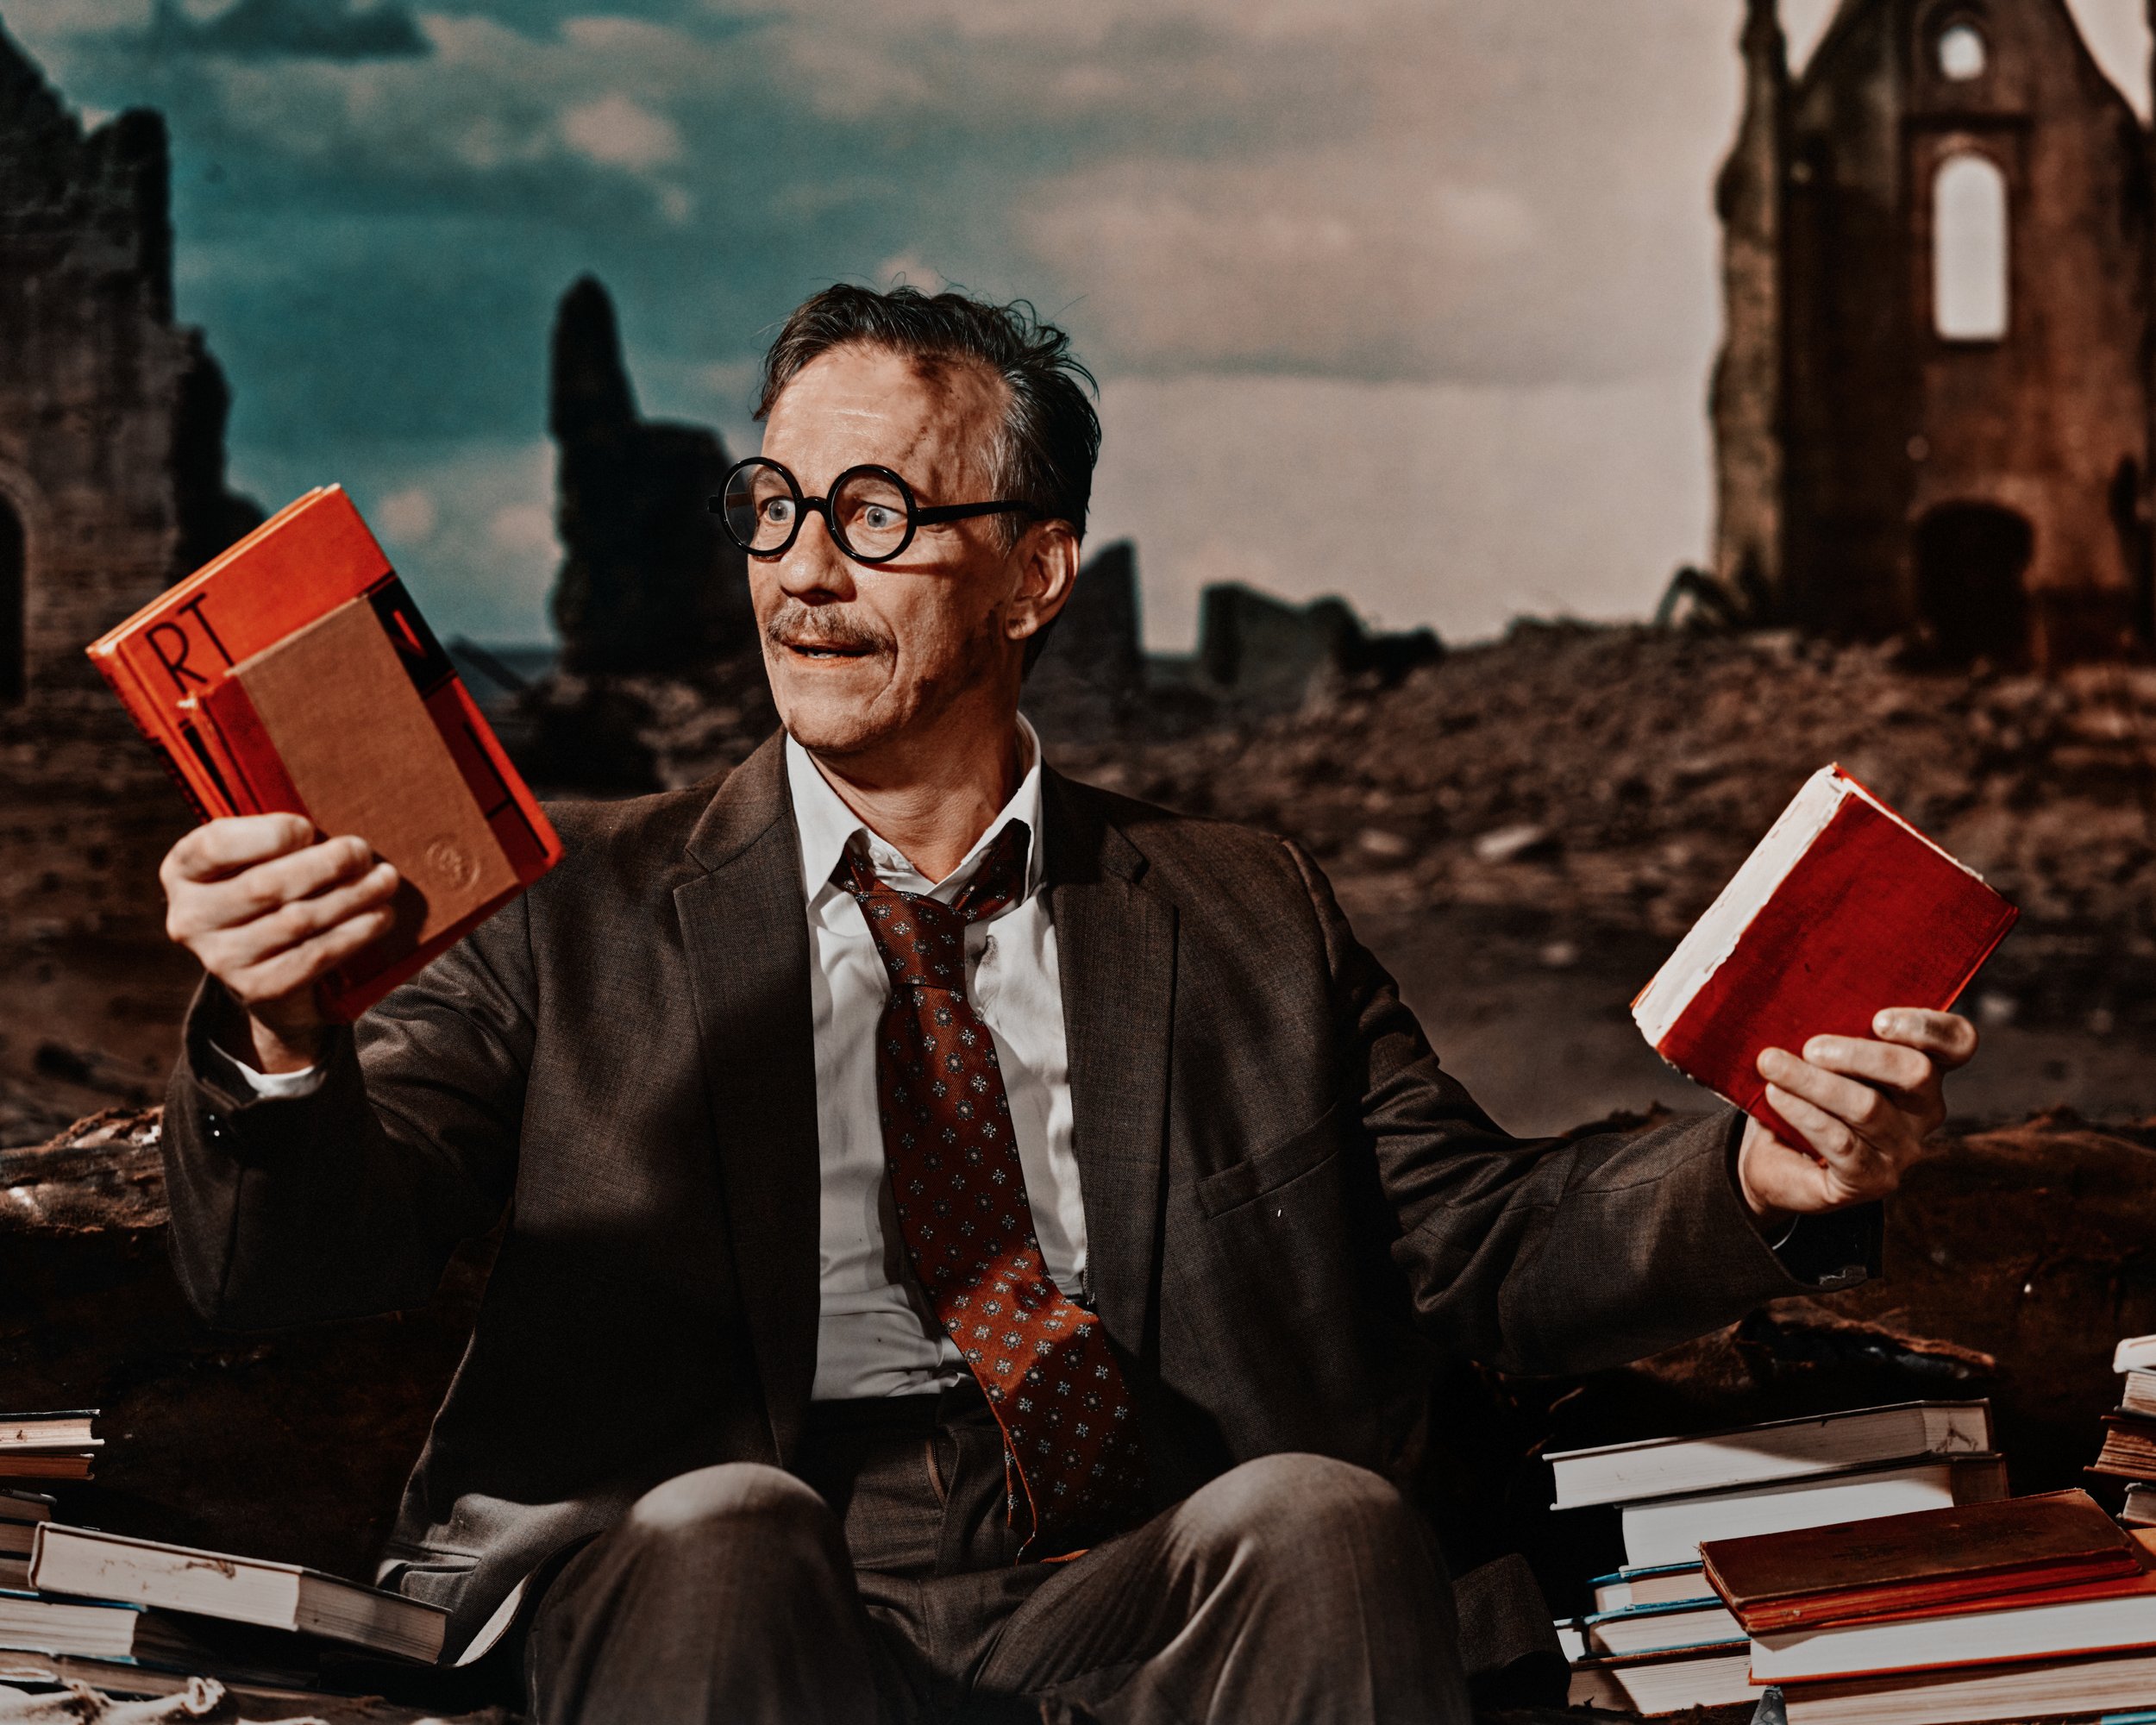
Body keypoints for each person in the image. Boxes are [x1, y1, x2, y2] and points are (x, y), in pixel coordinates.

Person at [155, 285, 1977, 1725]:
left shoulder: (1240, 904)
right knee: (726, 1530)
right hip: (729, 1564)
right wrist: (284, 1040)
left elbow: (1482, 1241)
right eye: (772, 506)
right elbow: (294, 1264)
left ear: (1035, 573)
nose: (798, 569)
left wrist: (1759, 1177)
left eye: (874, 515)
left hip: (1128, 1561)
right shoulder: (569, 898)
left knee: (1327, 1521)